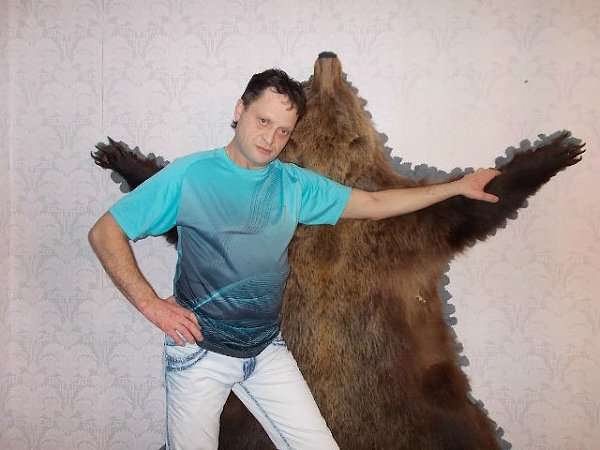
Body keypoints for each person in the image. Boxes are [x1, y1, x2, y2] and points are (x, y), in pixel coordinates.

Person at [88, 68, 500, 450]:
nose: (270, 138)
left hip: (266, 351)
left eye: (283, 131)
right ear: (240, 109)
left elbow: (374, 204)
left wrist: (456, 187)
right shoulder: (190, 175)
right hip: (200, 354)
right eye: (263, 121)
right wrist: (151, 305)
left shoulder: (294, 185)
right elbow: (106, 232)